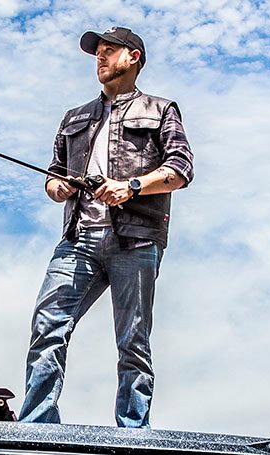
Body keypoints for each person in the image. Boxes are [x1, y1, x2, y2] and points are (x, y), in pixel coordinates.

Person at [19, 26, 194, 429]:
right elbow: (52, 174)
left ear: (133, 57)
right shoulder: (74, 117)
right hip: (77, 240)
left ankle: (133, 431)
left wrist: (132, 186)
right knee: (48, 326)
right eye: (97, 51)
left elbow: (181, 170)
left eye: (109, 50)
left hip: (135, 240)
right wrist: (56, 186)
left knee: (132, 341)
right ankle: (37, 427)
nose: (100, 57)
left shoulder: (161, 109)